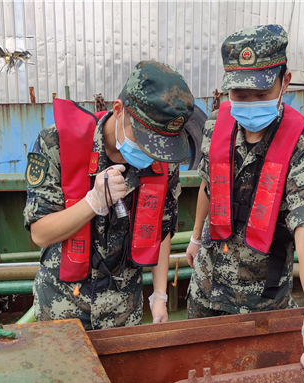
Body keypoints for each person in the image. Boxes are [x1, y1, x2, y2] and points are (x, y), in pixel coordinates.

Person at [185, 25, 304, 383]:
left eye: (260, 92)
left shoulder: (301, 151)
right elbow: (210, 187)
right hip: (204, 290)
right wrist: (195, 238)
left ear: (284, 82)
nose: (247, 102)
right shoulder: (216, 125)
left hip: (260, 306)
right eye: (239, 93)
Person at [24, 61, 194, 330]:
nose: (151, 153)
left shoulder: (163, 159)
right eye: (144, 140)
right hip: (61, 303)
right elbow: (40, 233)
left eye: (159, 145)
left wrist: (160, 295)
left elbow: (161, 229)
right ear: (118, 110)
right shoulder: (55, 143)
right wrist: (92, 203)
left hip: (123, 307)